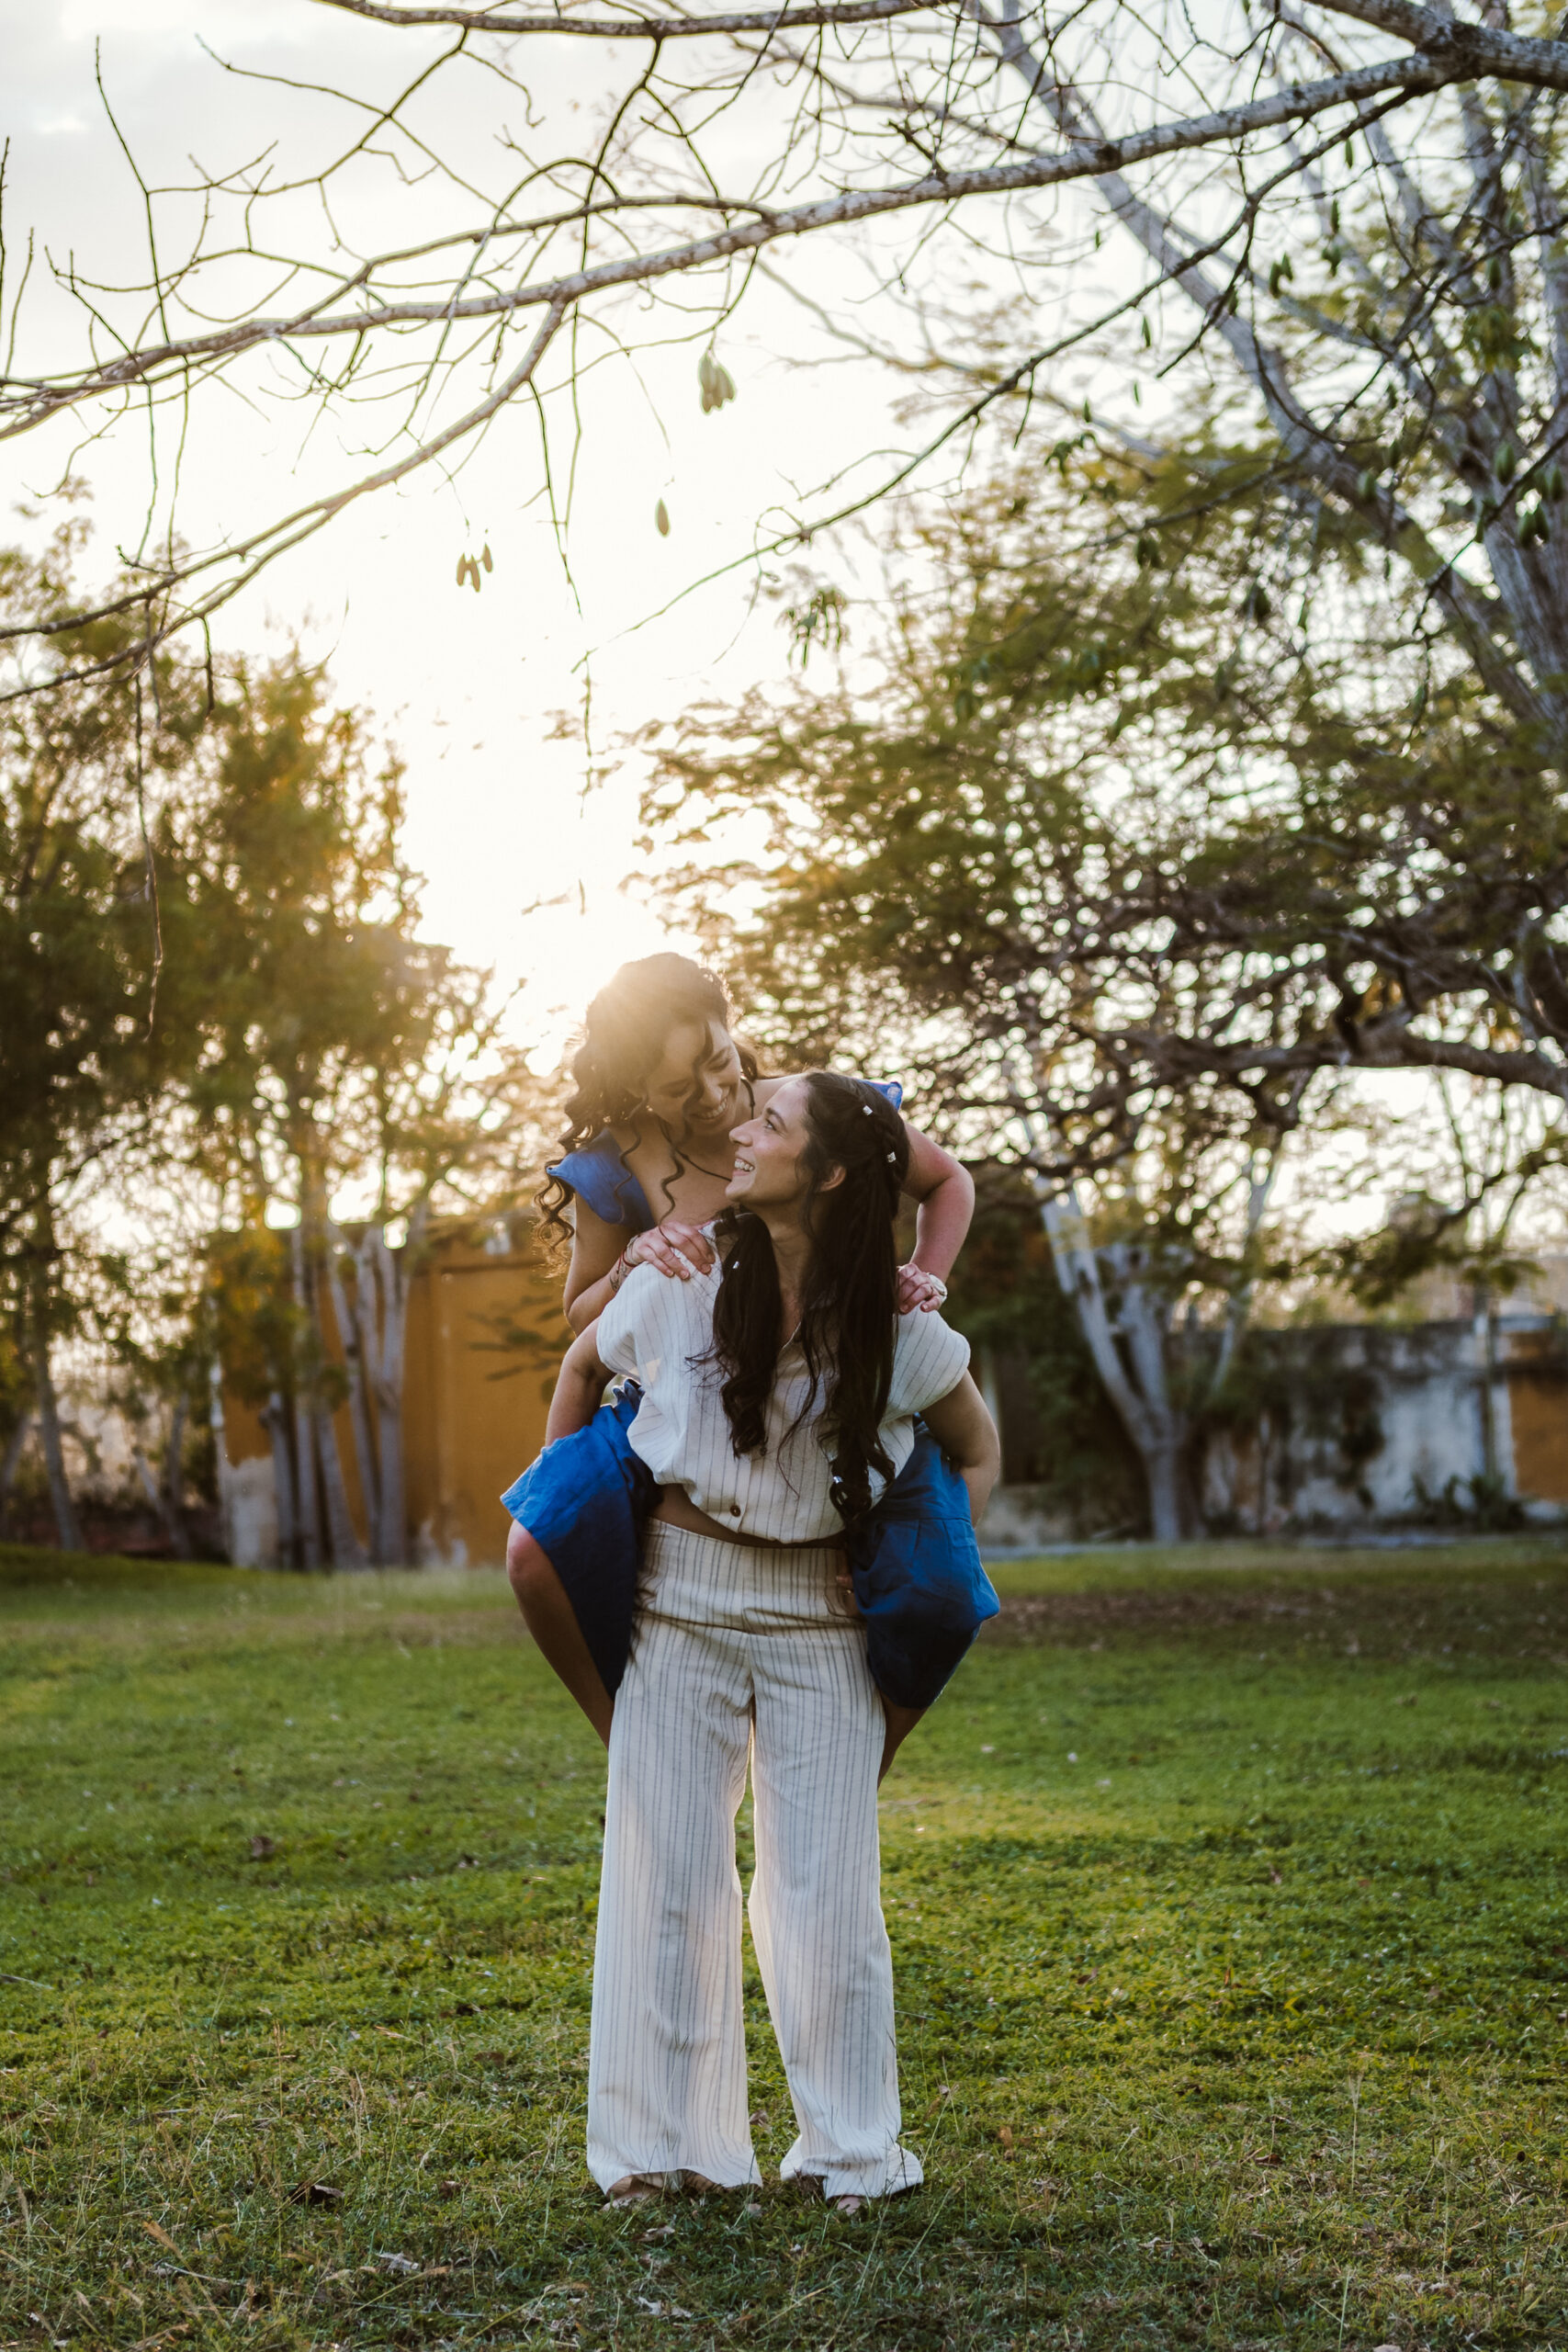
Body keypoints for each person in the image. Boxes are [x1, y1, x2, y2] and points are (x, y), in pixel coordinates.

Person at [524, 1072, 998, 2209]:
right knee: (666, 1876)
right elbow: (583, 1367)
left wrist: (905, 1546)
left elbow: (976, 1448)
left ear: (828, 1174)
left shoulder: (903, 1324)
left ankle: (851, 2155)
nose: (741, 1131)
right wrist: (578, 1498)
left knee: (827, 1894)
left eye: (770, 1124)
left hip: (821, 1616)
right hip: (676, 1601)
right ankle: (660, 2155)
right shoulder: (684, 1277)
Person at [512, 953, 981, 1725]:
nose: (711, 1097)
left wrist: (919, 1282)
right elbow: (580, 1319)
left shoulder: (817, 1114)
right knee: (535, 1555)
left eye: (716, 1061)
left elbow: (946, 1181)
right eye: (675, 1088)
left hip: (835, 1385)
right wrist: (633, 1258)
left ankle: (862, 1765)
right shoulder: (614, 1168)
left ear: (731, 1027)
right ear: (635, 1090)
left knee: (940, 1592)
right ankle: (619, 1731)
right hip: (685, 1399)